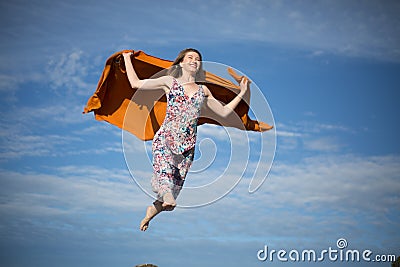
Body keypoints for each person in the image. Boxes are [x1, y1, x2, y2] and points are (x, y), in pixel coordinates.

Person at [123, 48, 254, 231]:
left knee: (173, 192)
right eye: (190, 57)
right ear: (181, 63)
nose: (194, 60)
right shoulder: (170, 82)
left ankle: (151, 210)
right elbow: (136, 83)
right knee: (165, 178)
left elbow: (224, 112)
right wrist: (127, 58)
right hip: (166, 138)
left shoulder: (204, 90)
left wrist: (242, 91)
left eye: (197, 59)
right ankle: (166, 196)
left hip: (187, 146)